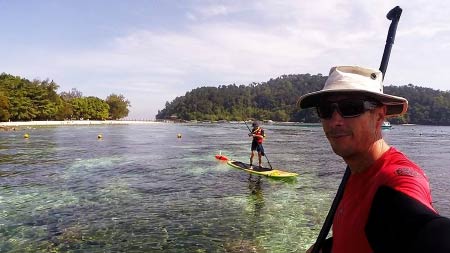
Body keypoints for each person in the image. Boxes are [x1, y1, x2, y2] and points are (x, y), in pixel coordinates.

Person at [298, 66, 450, 253]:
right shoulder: (356, 170)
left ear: (379, 116)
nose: (335, 120)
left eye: (350, 108)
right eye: (326, 110)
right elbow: (359, 232)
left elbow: (425, 229)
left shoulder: (394, 180)